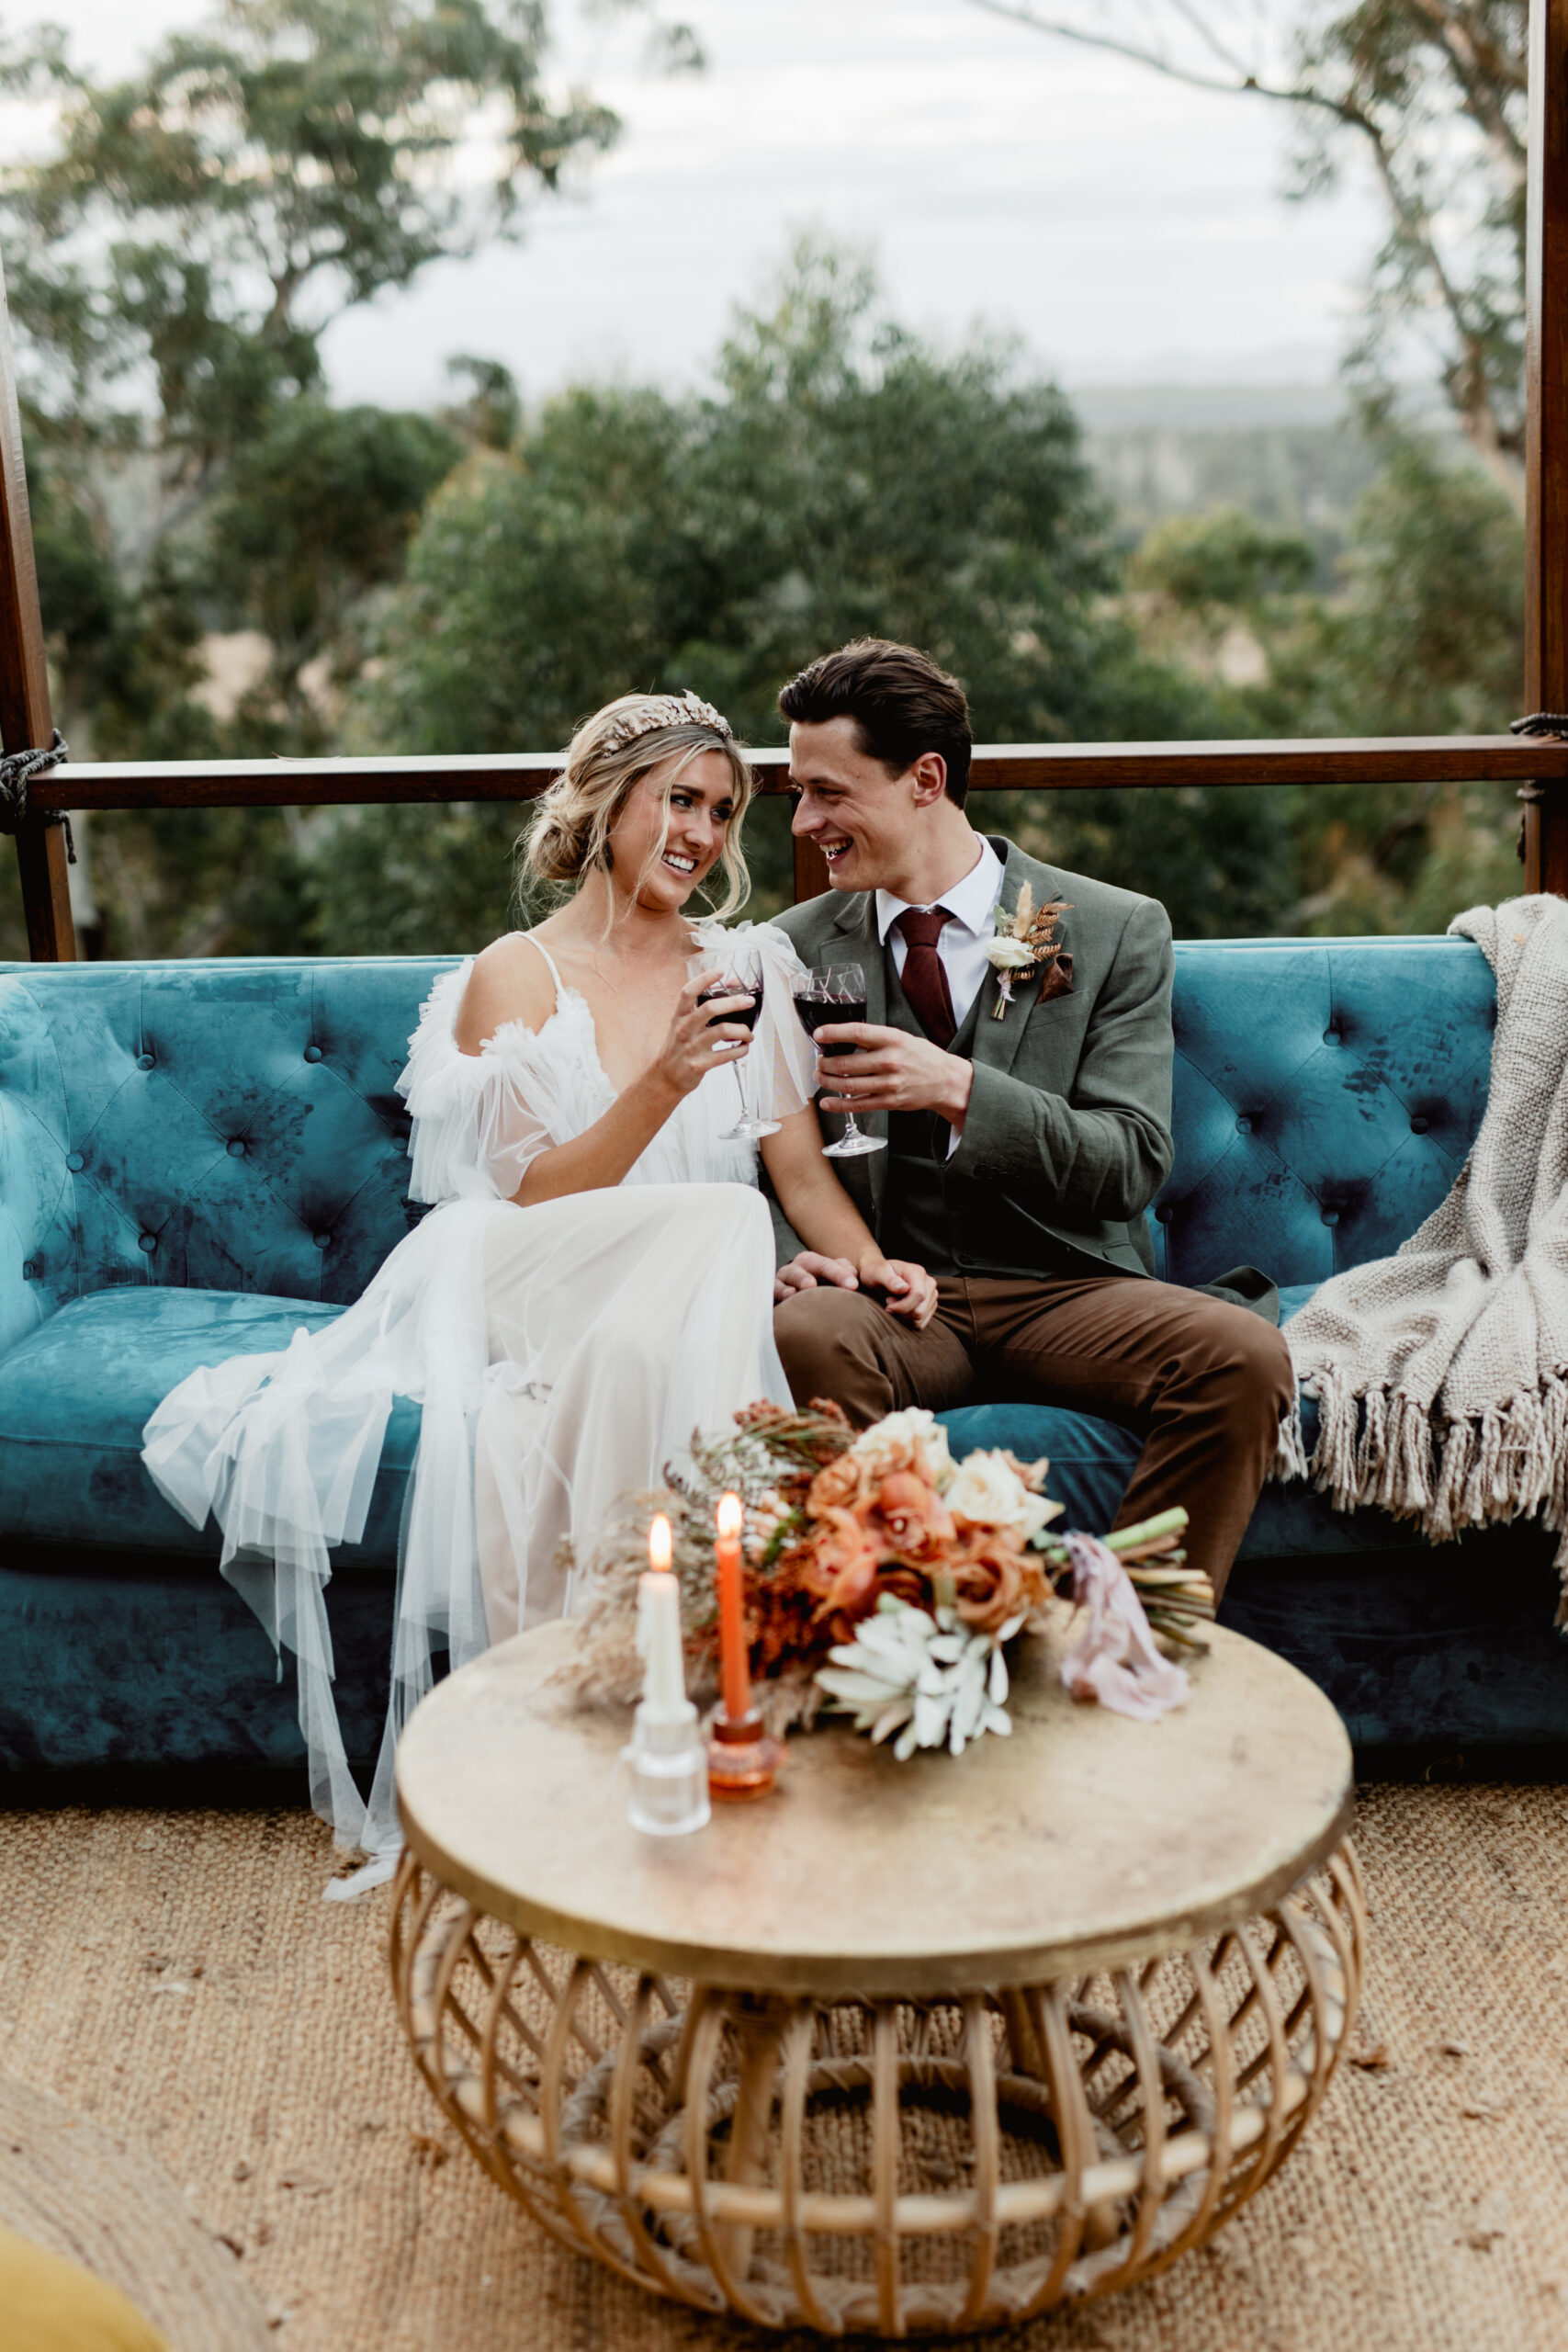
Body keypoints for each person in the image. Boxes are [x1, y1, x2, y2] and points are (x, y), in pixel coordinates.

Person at [141, 690, 935, 1890]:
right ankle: (683, 1683)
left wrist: (871, 1263)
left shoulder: (744, 964)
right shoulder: (515, 975)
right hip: (521, 1265)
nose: (702, 833)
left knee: (666, 1315)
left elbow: (802, 1174)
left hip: (670, 1280)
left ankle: (648, 1703)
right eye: (679, 800)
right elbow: (534, 1193)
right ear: (608, 805)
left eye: (723, 812)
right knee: (724, 1224)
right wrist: (664, 1082)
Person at [767, 639, 1293, 1603]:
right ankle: (889, 1629)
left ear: (926, 780)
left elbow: (1128, 1163)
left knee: (1245, 1355)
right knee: (808, 1329)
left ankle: (1132, 1636)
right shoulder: (789, 950)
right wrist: (794, 1257)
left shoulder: (1113, 927)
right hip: (899, 1303)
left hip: (1067, 1292)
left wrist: (962, 1088)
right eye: (798, 794)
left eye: (828, 793)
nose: (805, 823)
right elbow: (772, 1156)